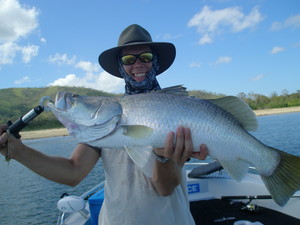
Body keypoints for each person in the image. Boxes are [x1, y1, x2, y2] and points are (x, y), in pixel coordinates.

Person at [0, 24, 208, 225]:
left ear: (156, 62)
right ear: (121, 67)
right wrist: (17, 151)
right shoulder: (105, 118)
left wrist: (164, 158)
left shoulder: (179, 112)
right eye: (128, 59)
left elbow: (165, 188)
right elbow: (72, 172)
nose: (138, 64)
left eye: (146, 57)